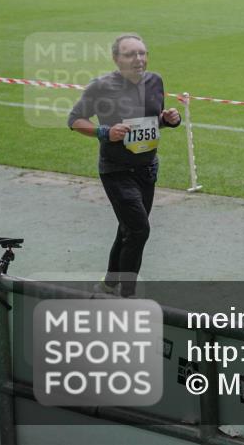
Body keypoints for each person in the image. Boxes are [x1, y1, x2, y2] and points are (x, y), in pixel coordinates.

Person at [68, 34, 181, 297]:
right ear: (116, 59)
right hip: (116, 171)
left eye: (143, 53)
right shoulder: (101, 86)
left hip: (147, 169)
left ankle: (109, 283)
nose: (138, 59)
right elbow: (74, 120)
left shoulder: (155, 81)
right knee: (140, 230)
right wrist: (105, 131)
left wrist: (169, 119)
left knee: (128, 229)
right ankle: (126, 295)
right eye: (131, 54)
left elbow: (153, 121)